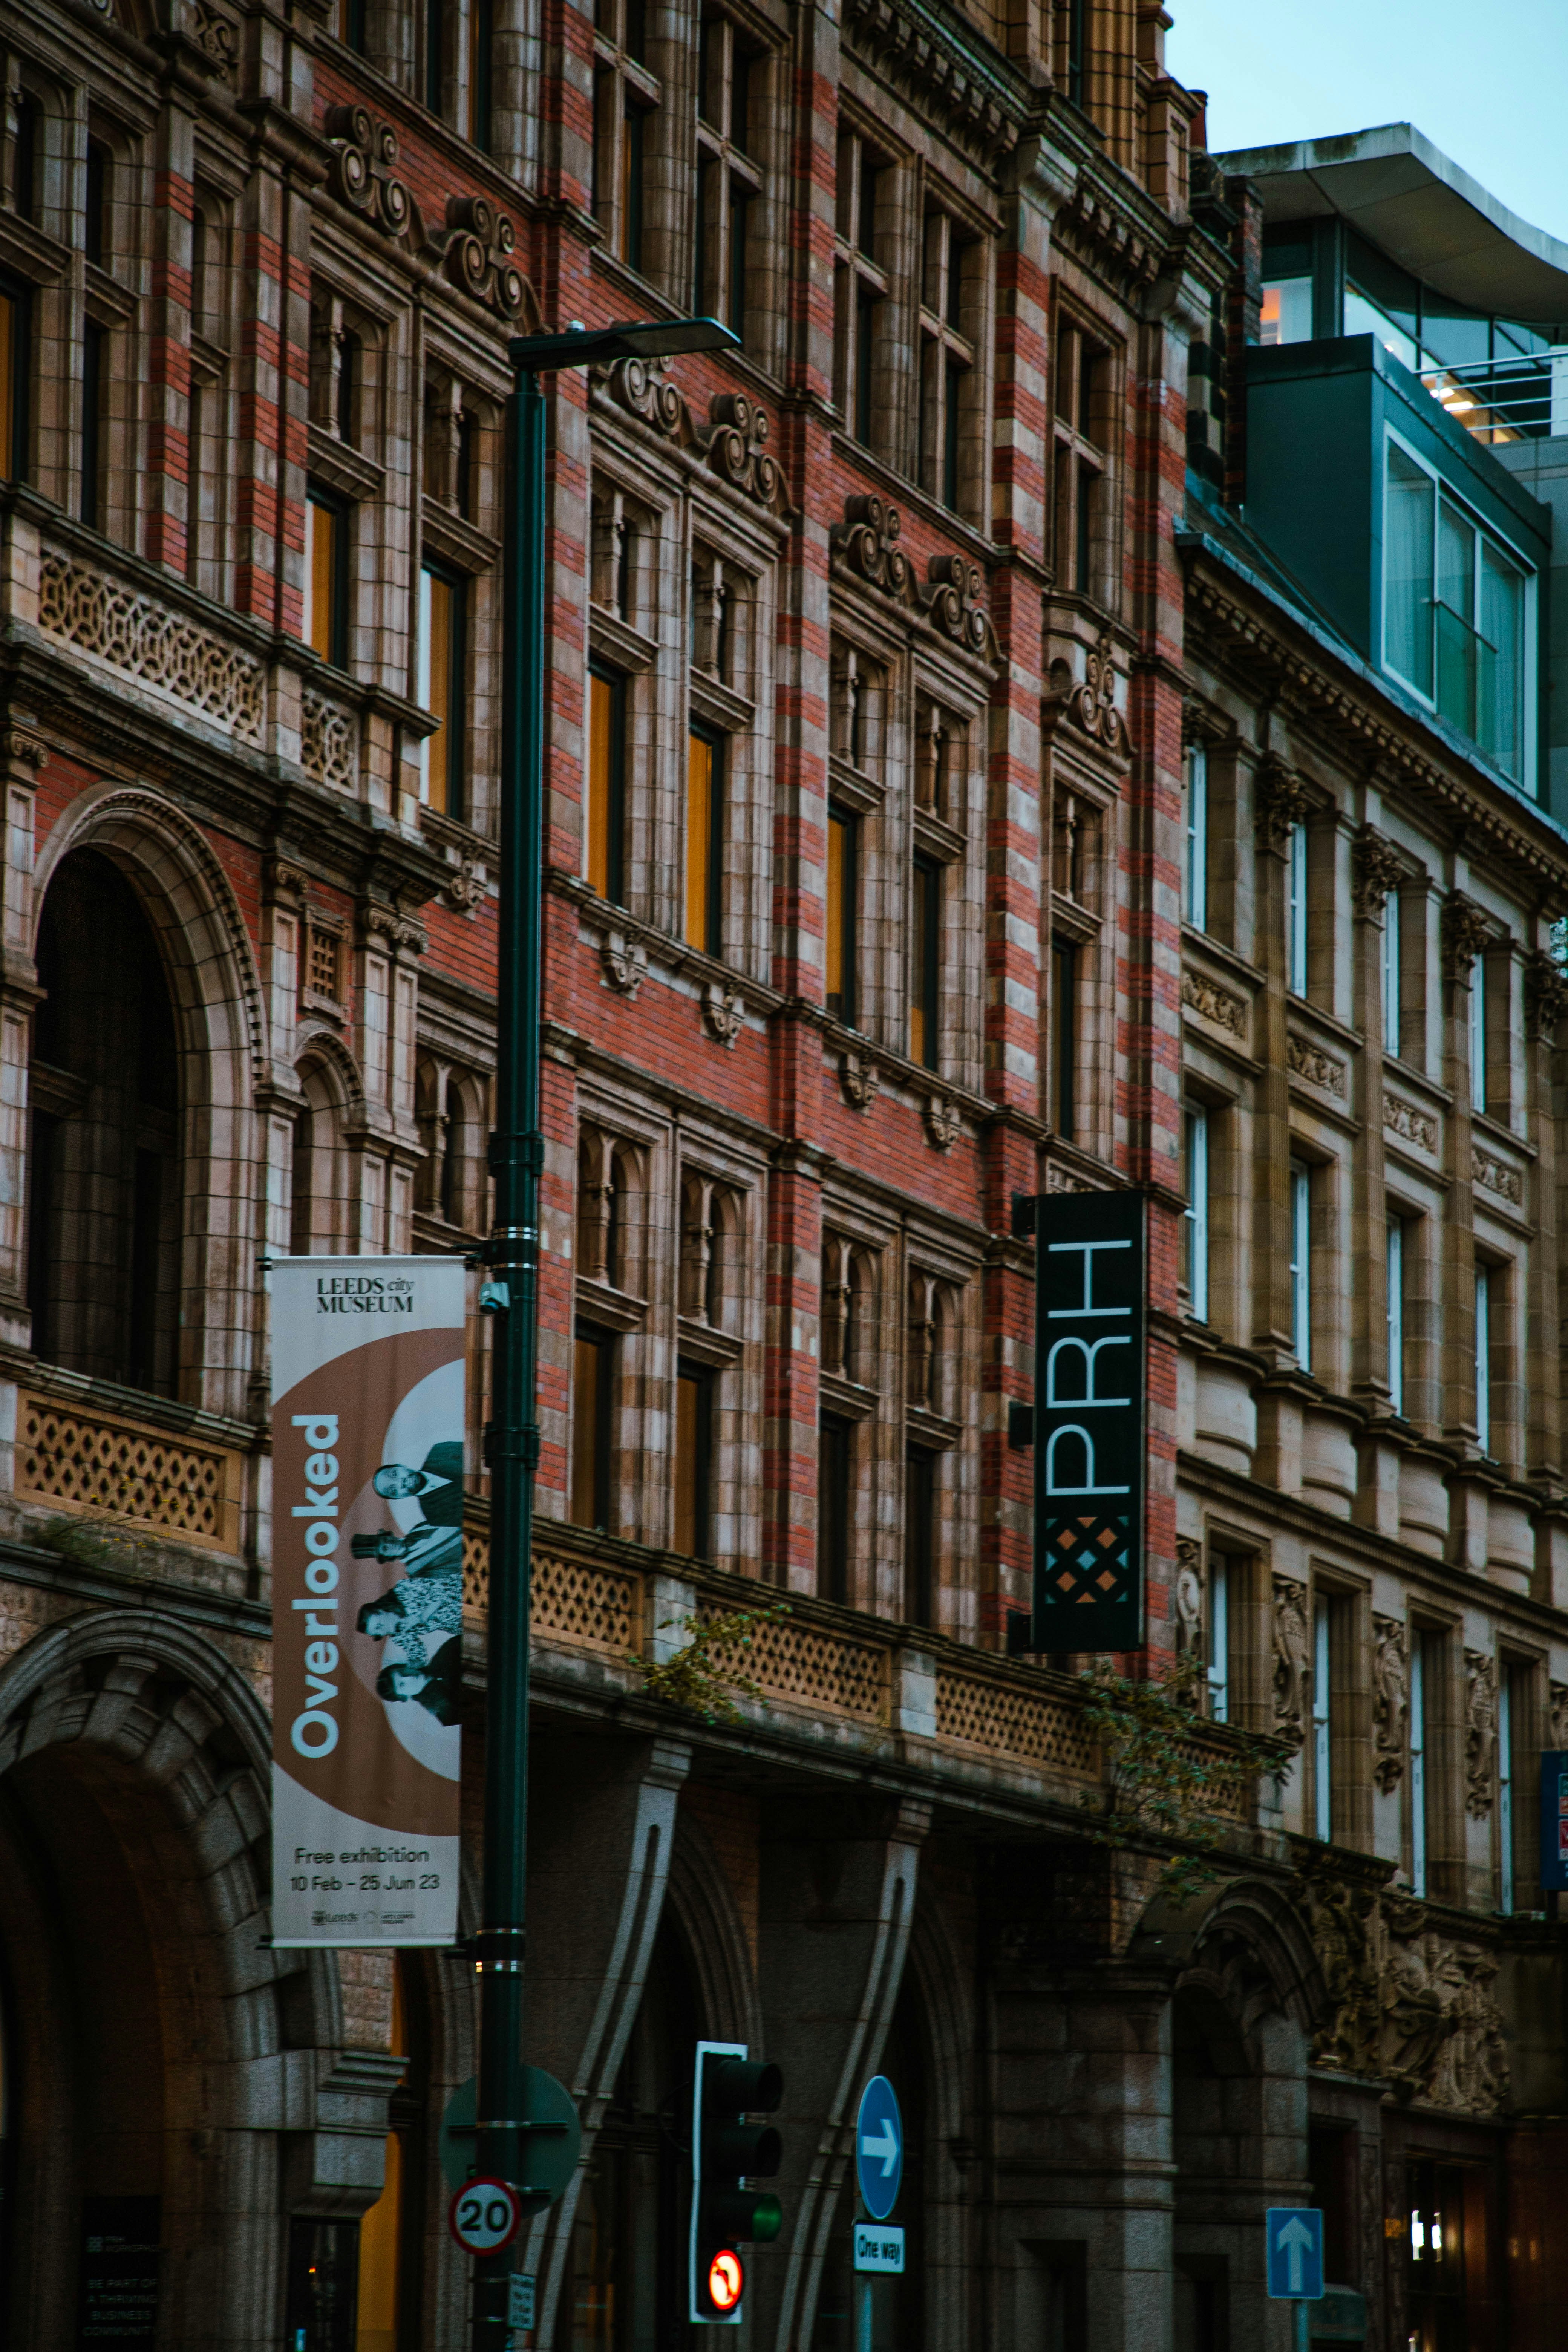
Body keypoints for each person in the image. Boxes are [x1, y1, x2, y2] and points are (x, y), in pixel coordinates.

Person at [357, 1556, 462, 1671]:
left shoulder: (403, 1590)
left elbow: (442, 1589)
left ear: (381, 1610)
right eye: (378, 1634)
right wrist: (413, 1666)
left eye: (379, 1626)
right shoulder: (399, 1634)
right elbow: (418, 1654)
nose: (383, 1632)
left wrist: (421, 1617)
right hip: (460, 1625)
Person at [376, 1634, 461, 1727]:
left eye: (402, 1672)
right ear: (404, 1697)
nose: (409, 1677)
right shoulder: (443, 1710)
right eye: (402, 1685)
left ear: (405, 1666)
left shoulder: (446, 1653)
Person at [371, 1442, 463, 1527]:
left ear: (400, 1466)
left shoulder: (439, 1451)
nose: (400, 1482)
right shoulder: (435, 1516)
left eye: (394, 1474)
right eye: (393, 1490)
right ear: (399, 1498)